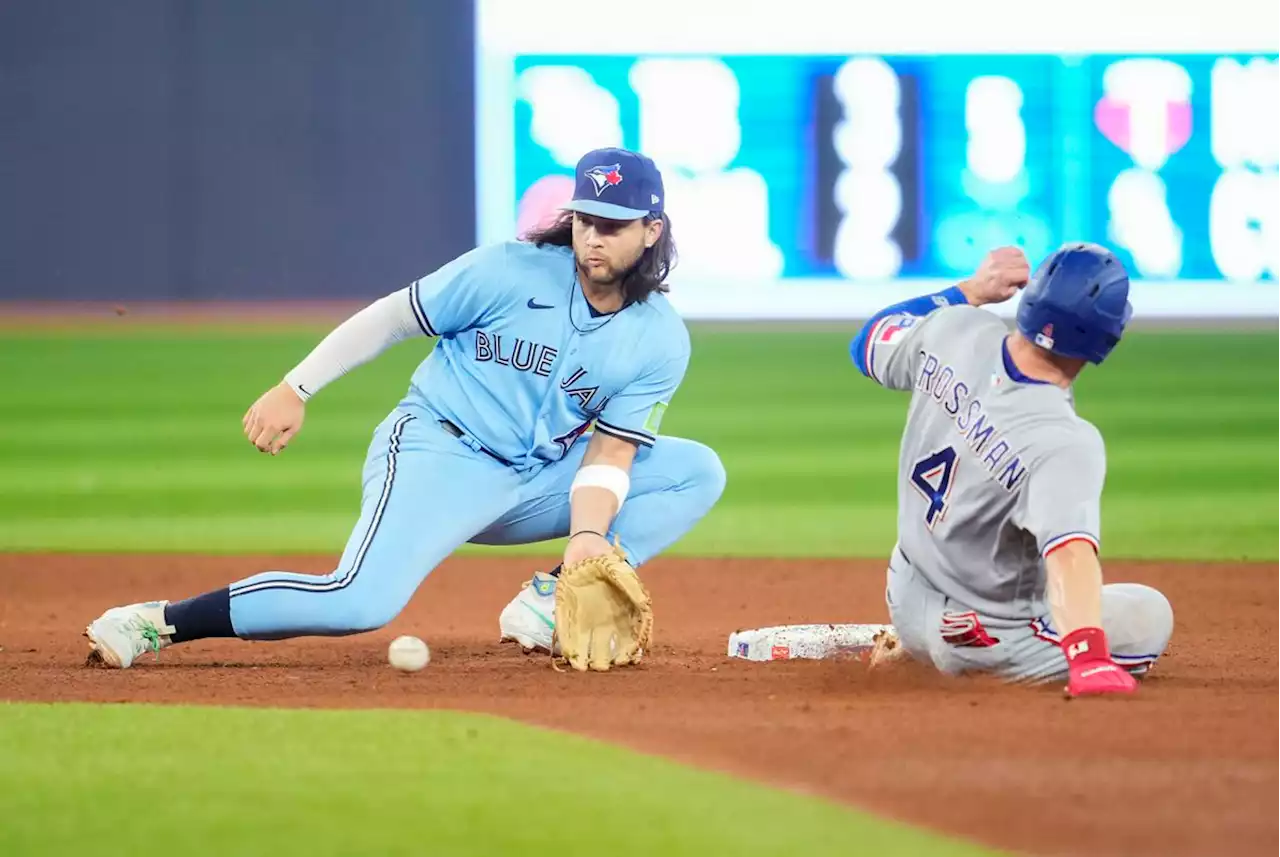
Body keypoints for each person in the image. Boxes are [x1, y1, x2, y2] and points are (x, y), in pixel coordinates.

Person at [83, 147, 726, 669]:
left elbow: (610, 453)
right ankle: (156, 623)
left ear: (651, 230)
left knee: (696, 471)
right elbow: (394, 317)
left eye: (613, 225)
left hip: (533, 480)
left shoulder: (659, 337)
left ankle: (544, 602)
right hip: (438, 452)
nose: (594, 237)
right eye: (586, 219)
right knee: (358, 602)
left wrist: (585, 541)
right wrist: (296, 387)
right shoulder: (509, 270)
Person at [849, 243, 1173, 698]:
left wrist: (970, 290)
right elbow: (1070, 555)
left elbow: (868, 340)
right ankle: (963, 664)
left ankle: (912, 646)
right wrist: (1089, 658)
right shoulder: (1064, 440)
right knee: (1149, 615)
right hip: (980, 642)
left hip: (904, 593)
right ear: (1108, 338)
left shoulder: (956, 326)